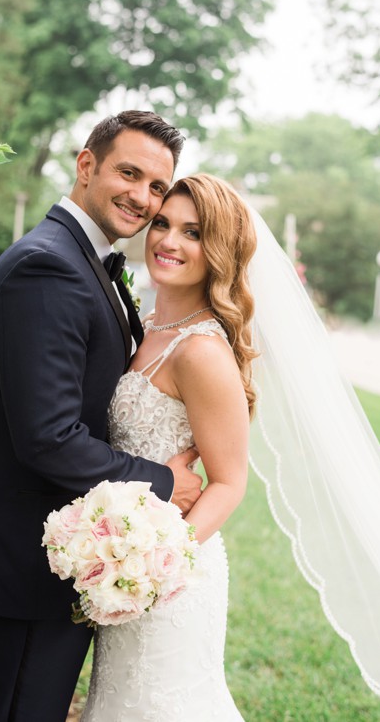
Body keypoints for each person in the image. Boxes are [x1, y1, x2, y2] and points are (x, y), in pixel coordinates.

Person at [0, 111, 206, 721]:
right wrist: (163, 483)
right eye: (129, 173)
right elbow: (50, 438)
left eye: (157, 187)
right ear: (86, 165)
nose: (142, 198)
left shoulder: (85, 261)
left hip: (67, 546)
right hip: (36, 551)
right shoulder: (50, 267)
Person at [81, 173, 256, 720]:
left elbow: (229, 482)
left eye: (193, 233)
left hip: (170, 576)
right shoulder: (149, 324)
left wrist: (154, 567)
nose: (168, 242)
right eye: (162, 224)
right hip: (124, 563)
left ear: (220, 250)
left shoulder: (201, 350)